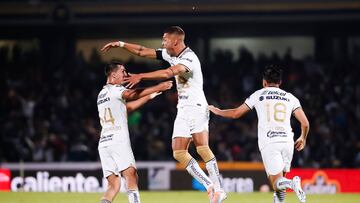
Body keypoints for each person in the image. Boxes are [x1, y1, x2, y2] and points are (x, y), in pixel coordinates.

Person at [101, 26, 227, 203]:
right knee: (178, 152)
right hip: (182, 107)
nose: (162, 43)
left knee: (202, 148)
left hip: (197, 105)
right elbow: (142, 51)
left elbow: (169, 73)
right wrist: (121, 44)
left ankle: (219, 189)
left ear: (176, 41)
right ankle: (209, 185)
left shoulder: (189, 58)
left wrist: (141, 76)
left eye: (165, 40)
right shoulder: (171, 55)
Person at [208, 65, 309, 203]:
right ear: (280, 82)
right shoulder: (291, 98)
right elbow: (305, 123)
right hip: (287, 142)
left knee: (277, 184)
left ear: (264, 82)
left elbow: (236, 113)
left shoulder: (258, 95)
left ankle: (293, 184)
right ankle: (287, 187)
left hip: (270, 142)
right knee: (280, 189)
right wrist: (303, 137)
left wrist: (218, 111)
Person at [97, 61, 173, 203]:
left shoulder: (102, 94)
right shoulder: (116, 90)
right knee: (131, 175)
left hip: (104, 143)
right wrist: (158, 86)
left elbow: (128, 108)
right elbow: (131, 94)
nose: (125, 74)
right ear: (113, 75)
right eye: (123, 71)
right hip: (118, 140)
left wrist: (149, 96)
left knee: (113, 185)